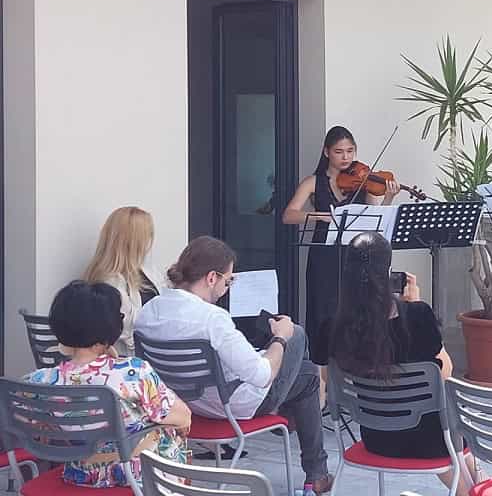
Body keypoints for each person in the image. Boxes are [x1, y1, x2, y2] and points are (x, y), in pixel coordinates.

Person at [134, 236, 333, 495]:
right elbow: (262, 376)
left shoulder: (149, 312)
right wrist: (279, 338)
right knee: (295, 334)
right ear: (211, 277)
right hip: (231, 407)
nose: (228, 287)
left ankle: (315, 469)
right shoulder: (213, 319)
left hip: (185, 404)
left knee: (306, 375)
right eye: (229, 281)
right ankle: (311, 464)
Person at [330, 232, 478, 496]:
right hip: (428, 441)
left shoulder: (335, 326)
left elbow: (327, 384)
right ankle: (476, 490)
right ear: (387, 272)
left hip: (377, 437)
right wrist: (414, 305)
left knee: (460, 452)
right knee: (453, 435)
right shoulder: (418, 315)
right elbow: (445, 372)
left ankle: (479, 488)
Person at [25, 281, 191, 489]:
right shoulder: (133, 372)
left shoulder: (39, 382)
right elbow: (183, 416)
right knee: (172, 426)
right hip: (136, 477)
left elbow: (30, 426)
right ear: (111, 328)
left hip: (81, 475)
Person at [282, 126, 400, 367]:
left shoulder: (363, 180)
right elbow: (289, 215)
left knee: (355, 309)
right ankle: (321, 370)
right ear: (327, 152)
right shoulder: (313, 182)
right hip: (323, 257)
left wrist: (388, 198)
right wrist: (318, 216)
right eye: (339, 152)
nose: (346, 157)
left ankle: (353, 364)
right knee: (322, 311)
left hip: (355, 256)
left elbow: (374, 216)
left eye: (350, 151)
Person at [82, 206, 162, 356]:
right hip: (127, 361)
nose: (150, 241)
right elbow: (123, 328)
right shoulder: (109, 281)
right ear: (134, 240)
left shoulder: (146, 271)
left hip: (152, 355)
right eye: (148, 235)